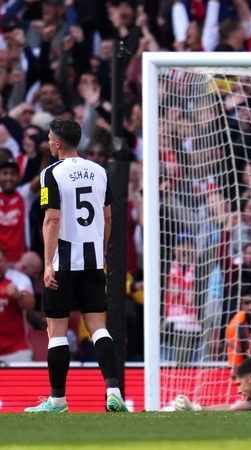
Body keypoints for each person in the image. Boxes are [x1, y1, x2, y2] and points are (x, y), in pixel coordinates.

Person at [24, 119, 128, 413]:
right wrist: (102, 251)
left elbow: (52, 219)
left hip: (63, 261)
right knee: (98, 328)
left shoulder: (51, 173)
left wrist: (48, 264)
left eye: (49, 138)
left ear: (57, 142)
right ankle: (113, 391)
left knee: (56, 330)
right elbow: (108, 218)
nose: (48, 142)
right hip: (93, 261)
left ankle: (57, 400)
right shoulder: (100, 171)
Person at [0, 247, 36, 363]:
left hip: (17, 350)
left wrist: (18, 295)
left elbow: (30, 304)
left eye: (0, 260)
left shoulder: (18, 279)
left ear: (5, 260)